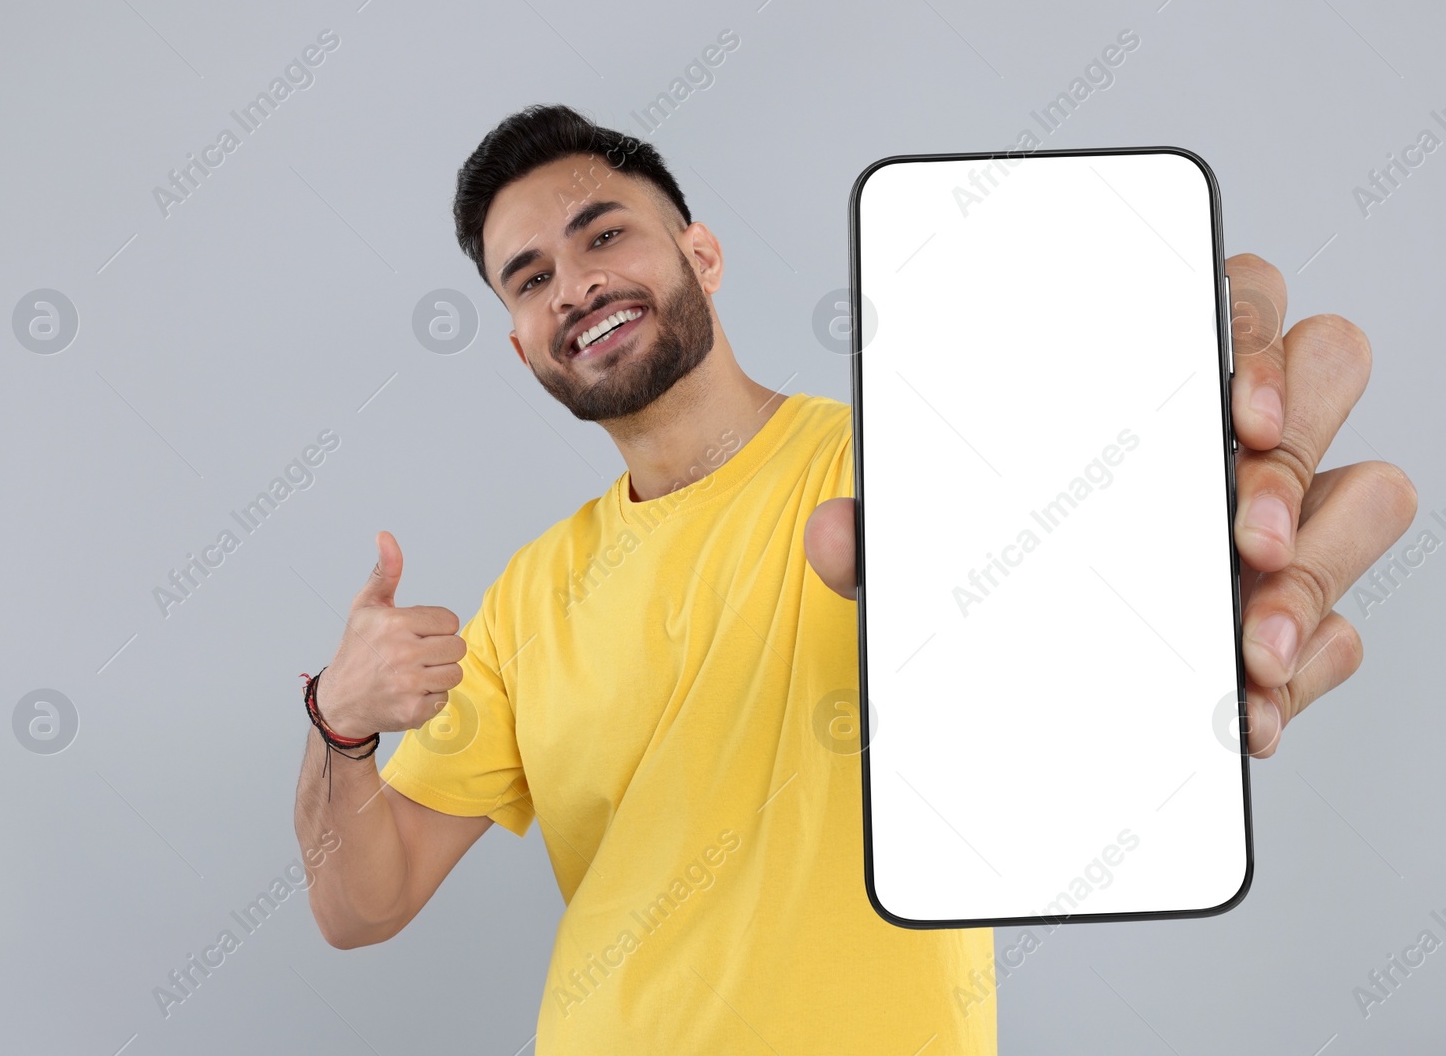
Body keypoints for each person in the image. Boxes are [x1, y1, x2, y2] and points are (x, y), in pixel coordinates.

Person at [292, 104, 1416, 1054]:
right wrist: (339, 725)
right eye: (529, 279)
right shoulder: (527, 596)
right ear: (521, 344)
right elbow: (362, 901)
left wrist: (1174, 526)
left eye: (603, 237)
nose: (574, 287)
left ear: (702, 256)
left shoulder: (912, 462)